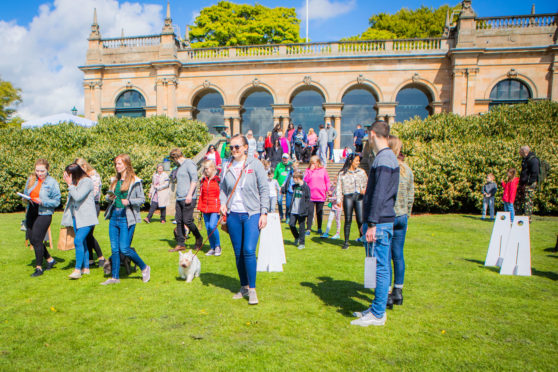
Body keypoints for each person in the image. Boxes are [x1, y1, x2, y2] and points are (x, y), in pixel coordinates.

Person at [351, 120, 399, 327]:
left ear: (371, 134)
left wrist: (371, 223)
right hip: (380, 221)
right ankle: (376, 308)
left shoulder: (385, 159)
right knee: (381, 266)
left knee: (380, 267)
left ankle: (378, 313)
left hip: (380, 222)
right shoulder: (385, 158)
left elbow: (379, 195)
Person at [220, 134, 269, 305]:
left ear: (246, 147)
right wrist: (222, 204)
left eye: (237, 147)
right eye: (231, 147)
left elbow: (264, 189)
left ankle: (253, 289)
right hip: (233, 213)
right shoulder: (226, 165)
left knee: (249, 250)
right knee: (238, 252)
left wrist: (264, 212)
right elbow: (223, 189)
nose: (233, 150)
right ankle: (244, 286)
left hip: (252, 212)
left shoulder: (255, 164)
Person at [102, 154, 150, 285]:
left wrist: (128, 201)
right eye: (116, 164)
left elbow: (142, 199)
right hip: (114, 217)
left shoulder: (135, 181)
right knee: (114, 249)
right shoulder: (115, 180)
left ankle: (144, 267)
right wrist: (109, 198)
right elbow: (109, 197)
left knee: (124, 248)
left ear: (127, 164)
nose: (117, 166)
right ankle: (115, 277)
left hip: (127, 218)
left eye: (120, 163)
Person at [387, 135, 414, 309]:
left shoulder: (388, 168)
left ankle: (387, 292)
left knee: (386, 255)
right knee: (398, 254)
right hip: (402, 216)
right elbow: (411, 196)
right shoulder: (407, 169)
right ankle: (398, 291)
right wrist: (407, 214)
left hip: (389, 216)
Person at [22, 159, 61, 277]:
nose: (39, 173)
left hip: (44, 213)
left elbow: (57, 201)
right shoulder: (31, 179)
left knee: (37, 239)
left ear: (47, 169)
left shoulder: (52, 182)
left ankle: (39, 267)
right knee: (32, 238)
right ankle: (49, 259)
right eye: (37, 170)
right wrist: (25, 198)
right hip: (31, 211)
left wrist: (43, 202)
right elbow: (26, 193)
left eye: (42, 171)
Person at [62, 163, 99, 279]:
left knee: (78, 240)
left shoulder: (87, 182)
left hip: (87, 218)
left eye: (69, 175)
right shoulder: (76, 182)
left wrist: (70, 185)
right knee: (82, 242)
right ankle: (86, 268)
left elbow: (78, 196)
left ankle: (77, 269)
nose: (68, 177)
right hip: (76, 217)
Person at [168, 148, 203, 252]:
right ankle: (180, 243)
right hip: (179, 197)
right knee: (179, 220)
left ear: (175, 157)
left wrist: (189, 194)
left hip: (188, 197)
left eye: (172, 159)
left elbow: (194, 179)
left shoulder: (189, 163)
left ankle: (198, 237)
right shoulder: (180, 166)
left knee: (187, 220)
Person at [75, 158, 105, 267]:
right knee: (87, 234)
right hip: (83, 207)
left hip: (93, 206)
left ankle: (100, 256)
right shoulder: (80, 178)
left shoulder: (94, 177)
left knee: (88, 233)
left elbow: (94, 193)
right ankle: (91, 258)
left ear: (84, 166)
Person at [336, 153, 367, 249]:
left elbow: (367, 183)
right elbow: (339, 187)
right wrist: (338, 199)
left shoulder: (361, 172)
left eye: (359, 161)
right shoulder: (342, 173)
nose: (358, 162)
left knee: (360, 219)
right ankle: (346, 241)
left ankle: (363, 238)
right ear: (351, 161)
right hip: (348, 196)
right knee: (348, 219)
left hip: (359, 196)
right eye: (356, 160)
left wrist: (364, 190)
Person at [198, 160, 222, 256]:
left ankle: (217, 246)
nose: (206, 170)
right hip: (205, 207)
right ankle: (212, 247)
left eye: (207, 168)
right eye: (205, 169)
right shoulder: (203, 180)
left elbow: (221, 194)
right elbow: (202, 195)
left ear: (212, 168)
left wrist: (220, 208)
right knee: (208, 228)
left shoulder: (217, 180)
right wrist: (200, 207)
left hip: (215, 207)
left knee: (213, 226)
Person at [304, 155, 330, 236]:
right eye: (311, 163)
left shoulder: (323, 170)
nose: (312, 165)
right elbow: (305, 180)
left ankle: (319, 228)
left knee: (319, 212)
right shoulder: (308, 170)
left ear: (318, 162)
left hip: (320, 195)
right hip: (311, 195)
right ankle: (308, 229)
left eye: (314, 163)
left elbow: (327, 181)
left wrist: (328, 190)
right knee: (310, 212)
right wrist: (310, 171)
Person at [288, 170, 311, 250]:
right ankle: (296, 237)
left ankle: (302, 243)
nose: (293, 180)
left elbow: (308, 199)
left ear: (298, 178)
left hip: (301, 210)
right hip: (293, 209)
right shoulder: (294, 186)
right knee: (291, 224)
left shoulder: (305, 187)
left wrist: (306, 208)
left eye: (294, 178)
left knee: (301, 227)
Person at [517, 145, 540, 222]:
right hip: (523, 183)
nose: (519, 153)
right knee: (519, 199)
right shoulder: (525, 160)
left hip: (529, 184)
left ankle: (527, 218)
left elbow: (535, 172)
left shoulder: (533, 160)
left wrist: (529, 182)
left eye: (520, 151)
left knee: (528, 201)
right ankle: (519, 216)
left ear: (524, 151)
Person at [273, 154, 293, 221]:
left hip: (288, 186)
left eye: (286, 158)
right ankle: (281, 215)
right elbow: (275, 176)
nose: (285, 159)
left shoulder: (291, 165)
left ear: (288, 158)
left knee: (288, 203)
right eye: (284, 158)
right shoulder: (279, 165)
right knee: (279, 201)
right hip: (280, 187)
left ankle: (287, 216)